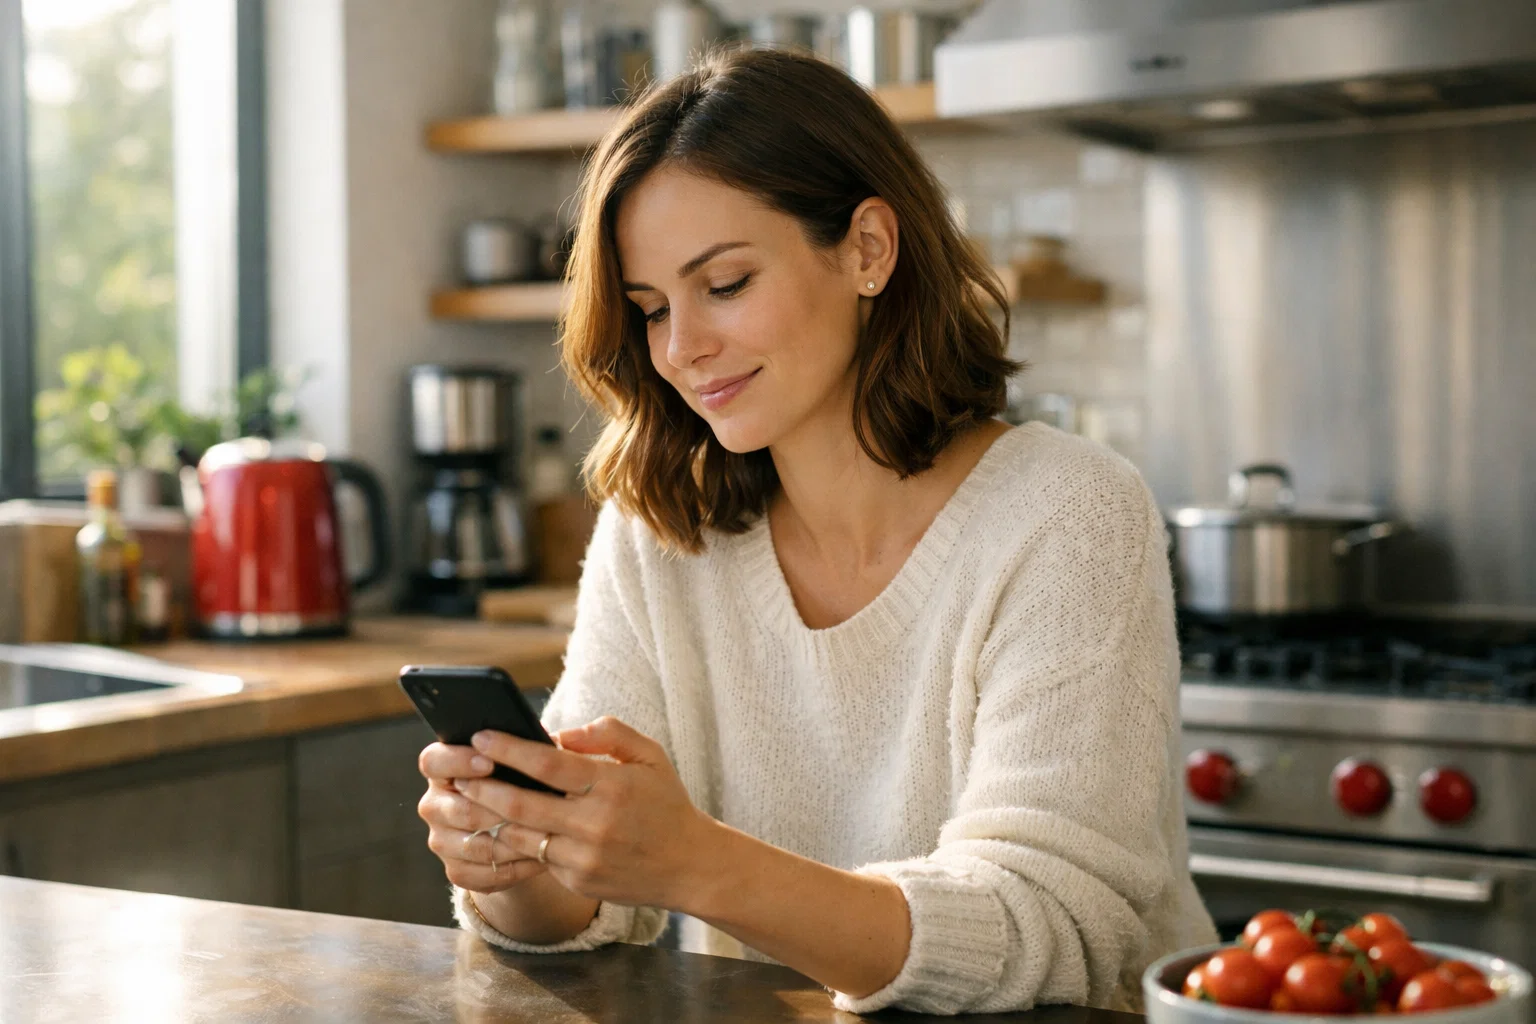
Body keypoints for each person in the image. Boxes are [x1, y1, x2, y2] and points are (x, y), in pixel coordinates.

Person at [416, 46, 1216, 1016]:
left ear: (869, 249)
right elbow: (587, 912)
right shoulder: (661, 529)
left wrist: (695, 864)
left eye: (726, 284)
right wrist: (515, 862)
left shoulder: (1068, 513)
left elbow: (1050, 930)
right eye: (653, 309)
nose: (680, 348)